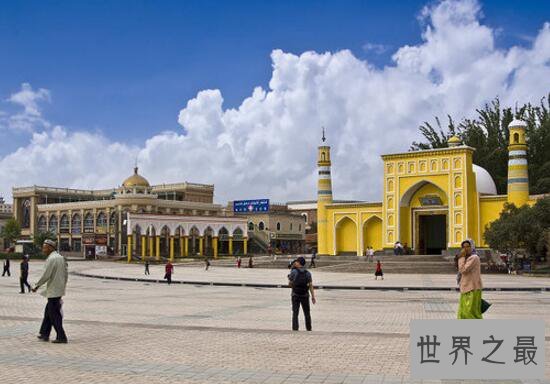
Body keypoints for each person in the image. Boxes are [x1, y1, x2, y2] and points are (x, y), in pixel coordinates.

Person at [32, 239, 68, 343]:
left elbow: (46, 275)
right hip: (58, 289)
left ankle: (62, 337)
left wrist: (36, 286)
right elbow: (66, 274)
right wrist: (63, 286)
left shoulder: (52, 259)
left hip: (53, 291)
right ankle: (44, 333)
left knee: (54, 315)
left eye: (45, 247)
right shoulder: (61, 258)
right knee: (48, 312)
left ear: (51, 248)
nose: (43, 249)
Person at [457, 239, 483, 319]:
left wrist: (461, 257)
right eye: (464, 247)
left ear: (472, 247)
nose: (466, 249)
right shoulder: (467, 258)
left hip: (472, 289)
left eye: (468, 246)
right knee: (464, 312)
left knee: (470, 313)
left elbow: (462, 270)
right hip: (466, 288)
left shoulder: (474, 258)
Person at [288, 256, 316, 331]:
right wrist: (313, 296)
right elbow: (310, 285)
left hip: (295, 295)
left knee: (295, 313)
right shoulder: (308, 273)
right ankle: (309, 328)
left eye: (296, 261)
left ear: (299, 263)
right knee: (307, 313)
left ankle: (295, 329)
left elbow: (289, 284)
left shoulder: (293, 272)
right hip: (305, 295)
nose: (295, 262)